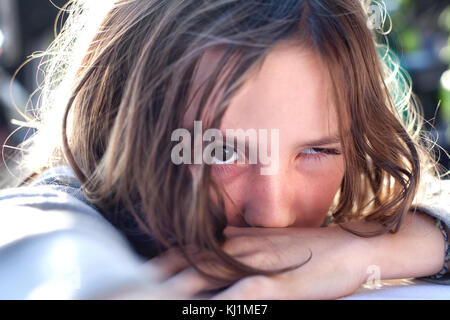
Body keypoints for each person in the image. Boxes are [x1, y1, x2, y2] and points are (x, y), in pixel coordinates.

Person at [0, 0, 449, 299]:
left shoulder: (354, 226)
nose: (273, 216)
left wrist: (371, 250)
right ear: (118, 127)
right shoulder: (65, 211)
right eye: (220, 152)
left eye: (318, 151)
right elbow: (38, 247)